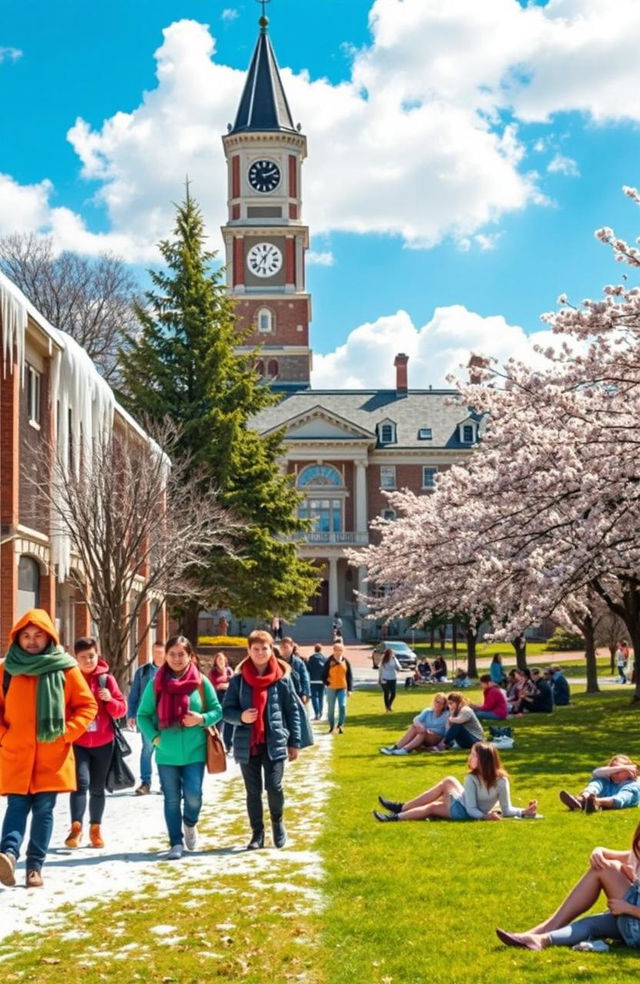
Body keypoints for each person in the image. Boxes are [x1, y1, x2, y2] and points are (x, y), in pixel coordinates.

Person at [0, 609, 97, 888]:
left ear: (49, 637)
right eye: (26, 636)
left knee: (44, 809)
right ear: (17, 638)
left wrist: (66, 733)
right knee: (17, 805)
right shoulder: (7, 670)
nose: (31, 641)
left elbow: (87, 705)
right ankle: (7, 854)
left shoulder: (65, 668)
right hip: (16, 753)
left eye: (37, 635)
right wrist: (4, 736)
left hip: (51, 755)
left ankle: (34, 867)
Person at [223, 630, 311, 850]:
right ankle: (257, 833)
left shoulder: (282, 678)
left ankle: (277, 823)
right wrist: (240, 717)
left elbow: (292, 712)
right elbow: (226, 710)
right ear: (249, 651)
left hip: (275, 741)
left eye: (264, 648)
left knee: (274, 787)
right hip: (247, 742)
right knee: (252, 791)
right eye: (256, 649)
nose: (260, 653)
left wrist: (295, 743)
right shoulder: (239, 679)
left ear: (271, 649)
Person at [137, 635, 222, 860]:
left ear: (190, 656)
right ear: (165, 655)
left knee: (194, 795)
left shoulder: (201, 682)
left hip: (195, 750)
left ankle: (190, 823)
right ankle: (175, 842)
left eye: (181, 654)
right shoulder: (156, 683)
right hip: (166, 753)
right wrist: (155, 738)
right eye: (172, 654)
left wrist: (201, 719)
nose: (176, 658)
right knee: (171, 799)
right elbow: (142, 716)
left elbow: (217, 711)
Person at [496, 820, 640, 951]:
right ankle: (538, 939)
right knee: (589, 924)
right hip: (632, 925)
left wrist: (628, 908)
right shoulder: (637, 852)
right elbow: (606, 853)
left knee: (603, 869)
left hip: (634, 923)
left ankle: (547, 928)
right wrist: (598, 851)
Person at [373, 741, 538, 822]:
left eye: (473, 755)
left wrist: (524, 811)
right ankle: (400, 808)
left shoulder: (501, 781)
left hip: (464, 811)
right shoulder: (472, 777)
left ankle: (394, 816)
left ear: (483, 760)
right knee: (448, 781)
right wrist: (486, 816)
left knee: (432, 807)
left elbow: (505, 809)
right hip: (465, 804)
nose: (469, 757)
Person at [65, 637, 126, 850]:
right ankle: (76, 827)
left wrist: (110, 699)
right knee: (80, 784)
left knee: (97, 788)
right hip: (79, 741)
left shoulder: (106, 680)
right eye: (83, 658)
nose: (88, 661)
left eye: (91, 656)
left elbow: (121, 710)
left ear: (97, 654)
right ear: (76, 658)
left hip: (104, 741)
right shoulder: (71, 678)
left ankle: (95, 829)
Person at [126, 640, 165, 794]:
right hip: (146, 718)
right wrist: (131, 714)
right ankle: (145, 783)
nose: (158, 655)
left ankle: (165, 784)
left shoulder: (170, 671)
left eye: (161, 652)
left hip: (165, 719)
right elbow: (134, 695)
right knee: (147, 749)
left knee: (164, 750)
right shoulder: (143, 671)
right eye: (155, 652)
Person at [559, 755, 640, 813]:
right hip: (597, 800)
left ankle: (589, 803)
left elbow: (620, 800)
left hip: (613, 801)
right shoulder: (606, 780)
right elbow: (595, 772)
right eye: (612, 770)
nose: (615, 774)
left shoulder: (633, 785)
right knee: (597, 781)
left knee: (619, 799)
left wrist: (596, 801)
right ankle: (582, 799)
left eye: (619, 771)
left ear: (629, 772)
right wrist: (623, 768)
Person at [380, 693, 450, 755]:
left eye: (442, 703)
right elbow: (416, 719)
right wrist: (421, 726)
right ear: (434, 702)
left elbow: (447, 730)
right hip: (426, 733)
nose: (439, 705)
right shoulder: (428, 711)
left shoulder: (446, 715)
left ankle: (405, 749)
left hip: (437, 737)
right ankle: (396, 747)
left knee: (423, 732)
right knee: (414, 727)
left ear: (444, 705)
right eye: (437, 702)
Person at [322, 642, 353, 734]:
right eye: (337, 650)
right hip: (331, 688)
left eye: (341, 650)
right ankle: (331, 726)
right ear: (334, 651)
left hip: (342, 687)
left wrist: (350, 689)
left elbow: (349, 676)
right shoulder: (329, 661)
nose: (339, 652)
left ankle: (340, 725)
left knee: (342, 706)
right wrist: (327, 683)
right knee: (331, 708)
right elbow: (323, 675)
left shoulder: (346, 661)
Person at [208, 651, 234, 753]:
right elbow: (214, 685)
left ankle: (228, 745)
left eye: (222, 659)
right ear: (215, 661)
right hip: (218, 697)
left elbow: (233, 684)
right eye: (218, 659)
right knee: (218, 721)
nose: (220, 661)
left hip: (229, 697)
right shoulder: (213, 672)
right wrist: (224, 685)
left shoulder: (229, 671)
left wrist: (225, 685)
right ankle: (216, 743)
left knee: (229, 721)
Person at [279, 637, 311, 705]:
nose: (284, 650)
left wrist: (305, 693)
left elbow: (305, 678)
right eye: (282, 648)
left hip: (296, 695)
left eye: (286, 647)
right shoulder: (277, 662)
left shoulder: (299, 662)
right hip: (281, 695)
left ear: (292, 647)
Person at [307, 644, 327, 721]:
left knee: (314, 697)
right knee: (321, 697)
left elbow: (308, 669)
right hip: (322, 681)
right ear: (321, 650)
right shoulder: (325, 659)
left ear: (315, 650)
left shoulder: (311, 658)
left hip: (313, 680)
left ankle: (316, 712)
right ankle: (321, 712)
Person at [378, 648, 402, 712]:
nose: (392, 654)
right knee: (386, 693)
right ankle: (387, 707)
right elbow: (380, 670)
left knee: (393, 694)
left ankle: (389, 705)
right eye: (391, 653)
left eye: (392, 653)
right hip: (385, 678)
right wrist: (379, 679)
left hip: (393, 678)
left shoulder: (394, 659)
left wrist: (398, 668)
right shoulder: (383, 660)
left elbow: (399, 666)